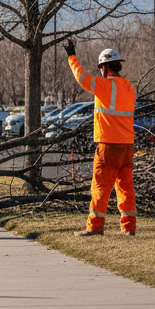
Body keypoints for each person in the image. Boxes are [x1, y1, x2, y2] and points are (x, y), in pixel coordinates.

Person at [64, 38, 137, 236]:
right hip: (127, 145)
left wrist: (72, 56)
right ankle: (129, 228)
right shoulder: (129, 87)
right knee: (126, 187)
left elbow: (81, 77)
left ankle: (95, 227)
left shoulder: (104, 86)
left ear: (104, 68)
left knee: (100, 186)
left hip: (108, 145)